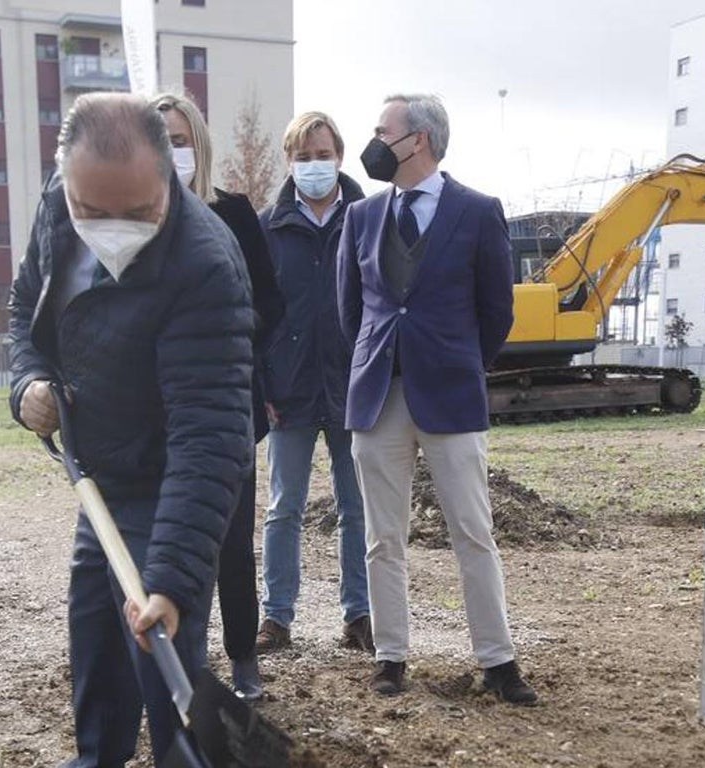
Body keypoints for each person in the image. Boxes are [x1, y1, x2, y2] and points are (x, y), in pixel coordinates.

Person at [8, 93, 254, 767]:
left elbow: (210, 436)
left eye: (140, 212)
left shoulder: (205, 261)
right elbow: (25, 308)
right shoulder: (58, 206)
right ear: (68, 180)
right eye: (94, 211)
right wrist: (27, 384)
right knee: (97, 652)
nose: (114, 227)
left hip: (171, 476)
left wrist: (173, 579)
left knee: (165, 668)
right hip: (102, 479)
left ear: (168, 181)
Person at [335, 93, 537, 704]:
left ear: (416, 139)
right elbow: (351, 311)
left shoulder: (477, 212)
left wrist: (456, 364)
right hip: (378, 395)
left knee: (472, 531)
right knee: (381, 536)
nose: (372, 140)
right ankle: (390, 656)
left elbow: (497, 311)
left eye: (381, 130)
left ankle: (498, 662)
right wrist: (381, 359)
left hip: (450, 395)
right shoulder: (362, 216)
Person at [151, 92, 283, 701]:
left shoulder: (232, 214)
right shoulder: (135, 217)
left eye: (179, 139)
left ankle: (242, 656)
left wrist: (219, 332)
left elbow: (271, 305)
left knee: (231, 541)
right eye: (159, 138)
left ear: (198, 144)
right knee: (168, 537)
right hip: (153, 408)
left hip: (227, 403)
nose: (171, 149)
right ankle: (181, 661)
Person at [256, 111, 371, 654]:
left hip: (354, 388)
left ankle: (360, 616)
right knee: (285, 508)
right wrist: (264, 384)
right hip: (289, 391)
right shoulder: (267, 226)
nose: (313, 165)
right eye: (303, 157)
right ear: (290, 162)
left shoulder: (369, 218)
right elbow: (254, 313)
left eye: (322, 154)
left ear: (339, 157)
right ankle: (276, 618)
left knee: (358, 508)